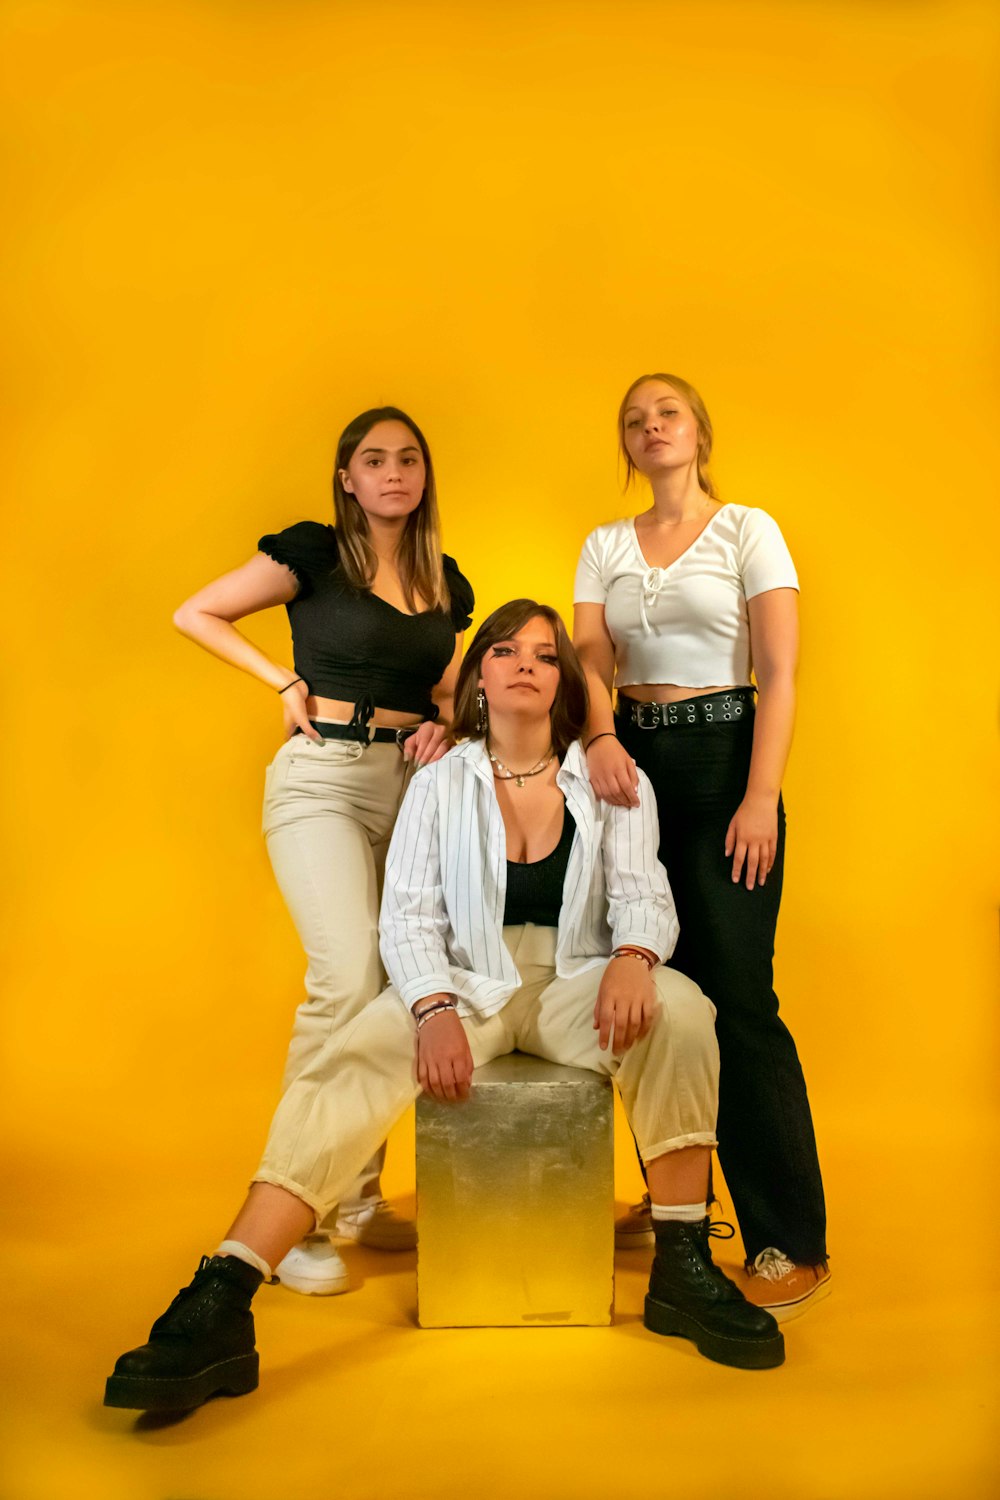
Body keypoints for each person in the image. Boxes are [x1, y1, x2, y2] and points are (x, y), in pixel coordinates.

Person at [103, 600, 783, 1415]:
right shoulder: (439, 780)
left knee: (682, 1010)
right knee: (350, 1056)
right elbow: (409, 915)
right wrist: (430, 1009)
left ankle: (682, 1265)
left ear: (565, 681)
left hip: (578, 982)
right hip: (467, 980)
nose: (526, 663)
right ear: (479, 678)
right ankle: (225, 1293)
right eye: (505, 651)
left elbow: (645, 893)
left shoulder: (612, 777)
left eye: (545, 654)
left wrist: (636, 958)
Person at [170, 405, 473, 1294]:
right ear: (347, 478)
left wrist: (448, 725)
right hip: (323, 779)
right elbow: (197, 613)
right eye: (372, 460)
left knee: (392, 985)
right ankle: (290, 1216)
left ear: (424, 476)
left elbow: (447, 687)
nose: (392, 474)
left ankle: (355, 1200)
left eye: (408, 459)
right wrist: (285, 679)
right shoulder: (313, 553)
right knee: (344, 976)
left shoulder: (443, 580)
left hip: (410, 796)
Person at [573, 372, 829, 1321]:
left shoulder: (748, 530)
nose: (650, 428)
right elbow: (591, 659)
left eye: (665, 413)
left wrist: (761, 794)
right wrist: (600, 737)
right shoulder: (605, 544)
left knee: (737, 997)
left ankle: (788, 1236)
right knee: (647, 985)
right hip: (629, 769)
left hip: (725, 762)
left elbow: (780, 672)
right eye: (634, 420)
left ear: (699, 431)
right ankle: (678, 1201)